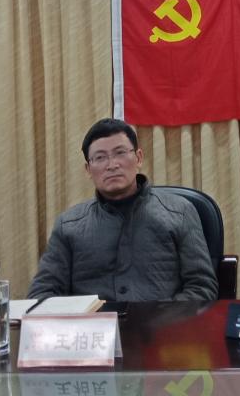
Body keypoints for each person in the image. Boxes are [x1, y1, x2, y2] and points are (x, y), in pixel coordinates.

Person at [28, 118, 217, 302]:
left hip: (163, 322)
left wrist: (163, 317)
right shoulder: (69, 225)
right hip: (94, 323)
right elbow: (42, 293)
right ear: (88, 169)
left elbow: (201, 288)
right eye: (100, 157)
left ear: (139, 158)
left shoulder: (179, 212)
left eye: (120, 153)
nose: (112, 165)